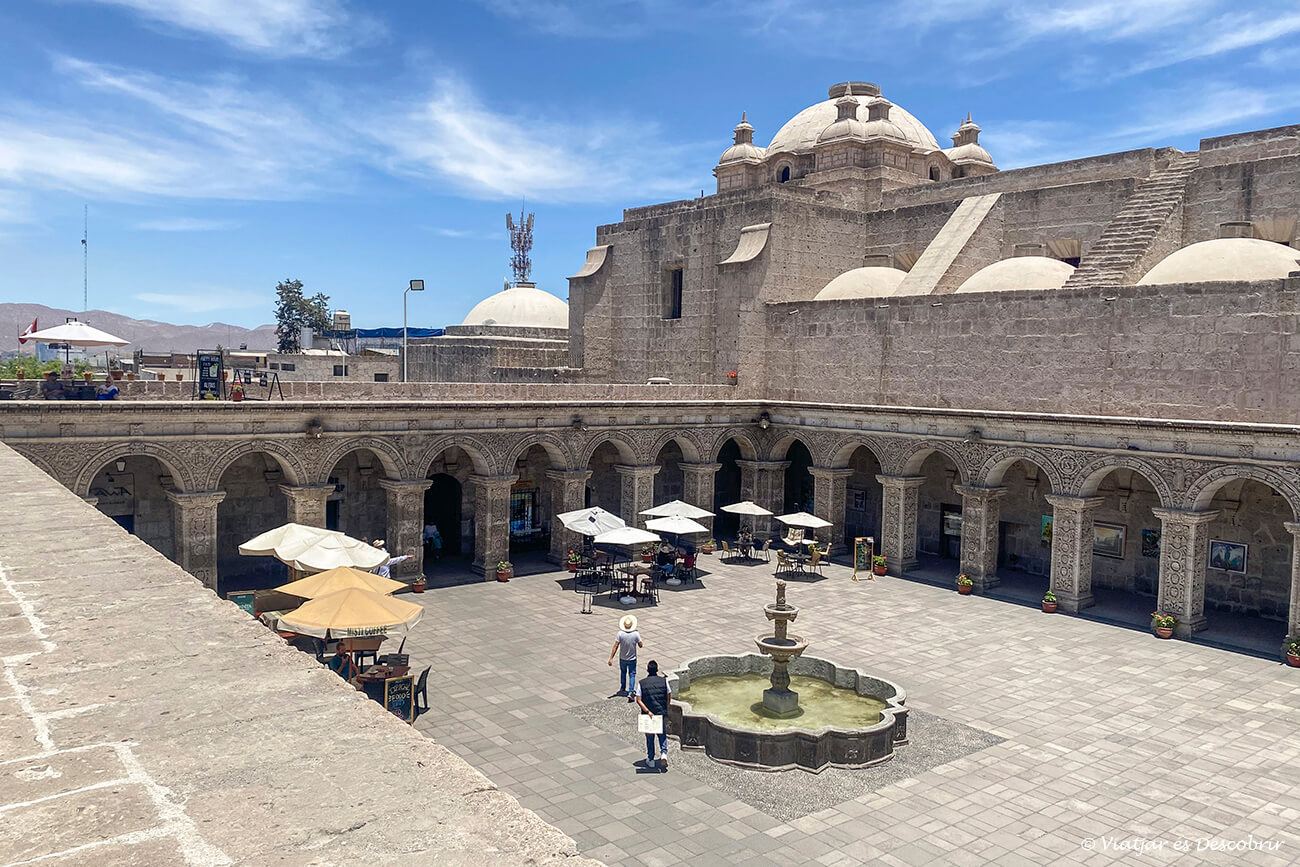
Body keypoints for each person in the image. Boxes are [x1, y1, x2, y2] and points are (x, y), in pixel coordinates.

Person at [635, 660, 672, 772]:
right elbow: (668, 694)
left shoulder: (642, 683)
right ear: (657, 670)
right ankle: (664, 753)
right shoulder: (664, 681)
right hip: (661, 712)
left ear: (647, 670)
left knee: (650, 737)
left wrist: (647, 711)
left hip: (648, 714)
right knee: (662, 734)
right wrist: (666, 706)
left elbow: (638, 700)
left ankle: (651, 759)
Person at [607, 614, 642, 703]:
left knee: (623, 672)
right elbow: (640, 645)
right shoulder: (636, 634)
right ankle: (631, 691)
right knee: (632, 674)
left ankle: (623, 688)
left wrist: (611, 658)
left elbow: (615, 646)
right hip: (632, 658)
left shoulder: (620, 634)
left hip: (622, 658)